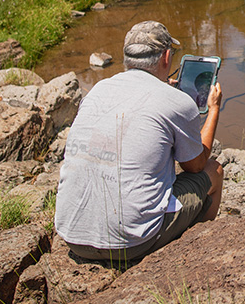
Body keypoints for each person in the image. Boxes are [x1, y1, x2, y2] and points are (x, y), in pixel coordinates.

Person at [54, 21, 223, 263]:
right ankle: (198, 252)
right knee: (214, 171)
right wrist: (214, 109)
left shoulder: (98, 90)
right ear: (166, 57)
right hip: (131, 242)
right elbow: (195, 166)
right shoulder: (176, 101)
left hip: (72, 235)